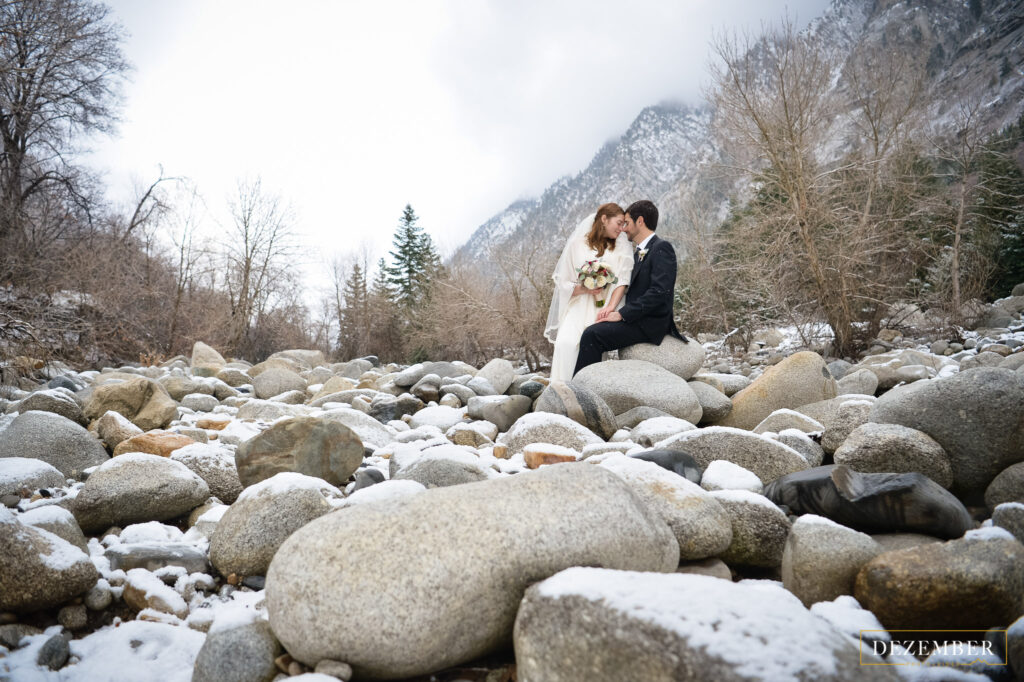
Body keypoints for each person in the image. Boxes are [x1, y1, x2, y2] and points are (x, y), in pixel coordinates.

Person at [573, 199, 686, 376]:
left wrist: (621, 314)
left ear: (639, 221)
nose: (623, 228)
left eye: (627, 223)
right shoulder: (640, 251)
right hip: (637, 318)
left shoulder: (662, 248)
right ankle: (589, 386)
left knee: (592, 335)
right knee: (593, 328)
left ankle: (581, 391)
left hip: (650, 322)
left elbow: (659, 292)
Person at [544, 203, 634, 382]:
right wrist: (585, 288)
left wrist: (610, 307)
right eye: (618, 223)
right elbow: (564, 282)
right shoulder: (576, 245)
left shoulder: (621, 247)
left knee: (591, 348)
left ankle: (586, 395)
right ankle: (559, 392)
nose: (621, 228)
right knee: (565, 344)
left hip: (603, 309)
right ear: (604, 219)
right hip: (578, 305)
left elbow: (622, 282)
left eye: (624, 224)